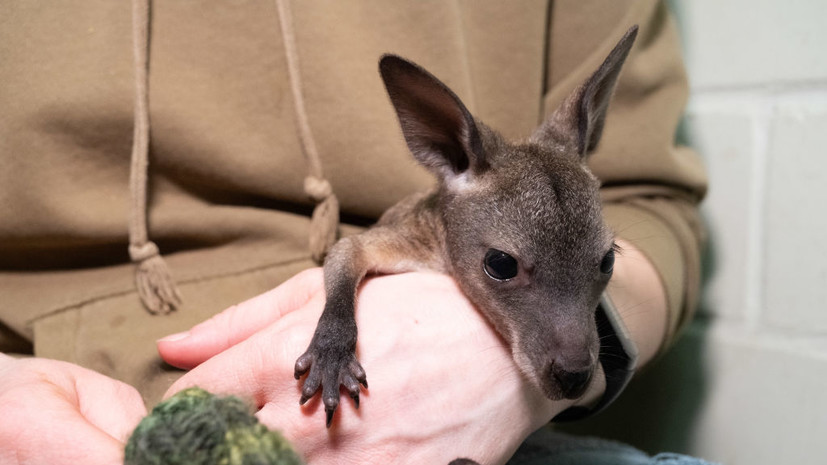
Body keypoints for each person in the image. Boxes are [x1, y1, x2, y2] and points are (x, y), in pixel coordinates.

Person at [0, 1, 706, 463]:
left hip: (479, 427)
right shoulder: (439, 214)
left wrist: (500, 374)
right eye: (503, 267)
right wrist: (336, 333)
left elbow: (652, 204)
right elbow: (354, 253)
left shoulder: (551, 205)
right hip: (77, 404)